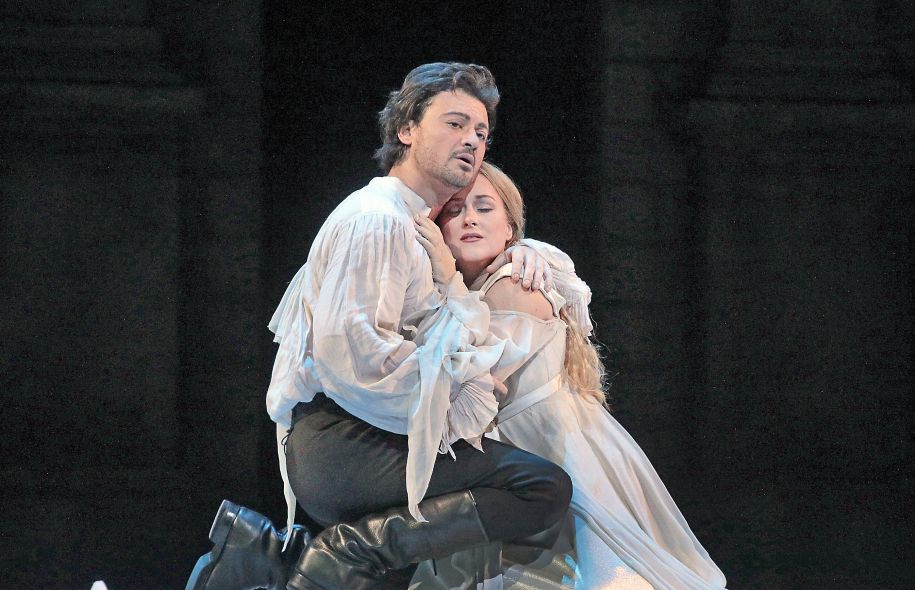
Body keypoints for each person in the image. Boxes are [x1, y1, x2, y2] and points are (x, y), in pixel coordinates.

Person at [184, 62, 572, 590]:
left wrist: (524, 252)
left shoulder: (412, 221)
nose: (472, 140)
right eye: (454, 123)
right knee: (539, 487)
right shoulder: (378, 220)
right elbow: (357, 357)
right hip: (345, 443)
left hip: (360, 438)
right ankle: (340, 554)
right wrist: (462, 384)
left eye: (481, 132)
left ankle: (270, 555)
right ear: (406, 129)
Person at [410, 161, 728, 589]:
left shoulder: (514, 284)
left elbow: (471, 382)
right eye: (454, 210)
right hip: (527, 456)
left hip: (553, 451)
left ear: (510, 228)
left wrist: (452, 277)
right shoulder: (479, 287)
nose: (468, 218)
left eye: (484, 208)